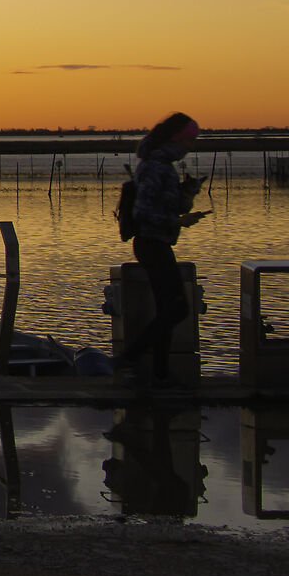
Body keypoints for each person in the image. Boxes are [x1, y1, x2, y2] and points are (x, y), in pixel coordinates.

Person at [116, 111, 209, 386]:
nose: (191, 148)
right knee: (178, 309)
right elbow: (144, 212)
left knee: (167, 308)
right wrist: (179, 220)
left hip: (157, 242)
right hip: (151, 244)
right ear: (176, 140)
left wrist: (187, 198)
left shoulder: (162, 166)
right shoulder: (157, 167)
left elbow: (164, 205)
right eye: (189, 142)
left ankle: (160, 374)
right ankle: (129, 357)